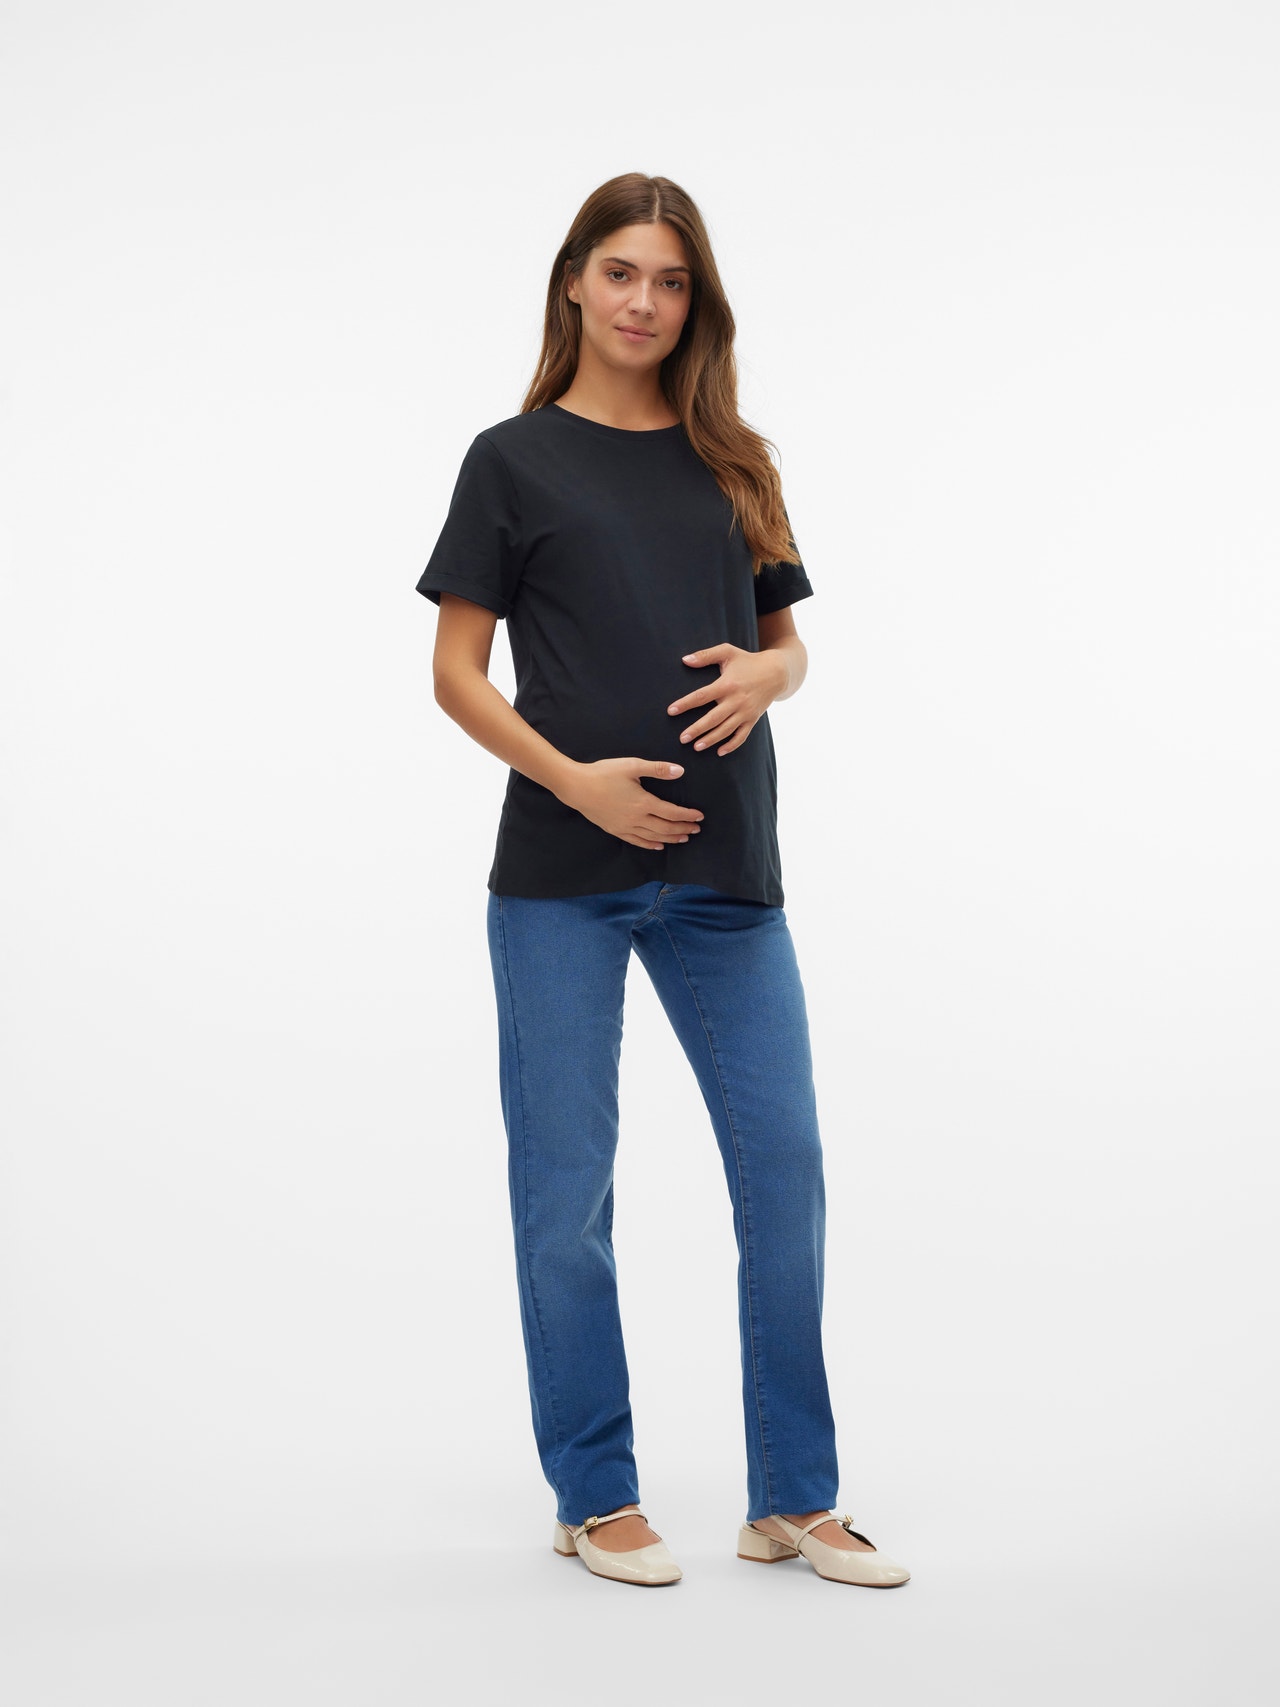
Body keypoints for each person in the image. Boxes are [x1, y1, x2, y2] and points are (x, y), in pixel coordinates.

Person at [415, 172, 910, 1590]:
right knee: (567, 1191)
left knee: (786, 1173)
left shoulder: (734, 461)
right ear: (575, 280)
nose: (645, 301)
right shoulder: (511, 461)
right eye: (623, 272)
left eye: (673, 281)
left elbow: (788, 648)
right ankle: (594, 1492)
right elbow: (455, 673)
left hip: (728, 878)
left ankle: (794, 1499)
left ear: (698, 304)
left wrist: (773, 673)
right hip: (563, 877)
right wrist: (575, 781)